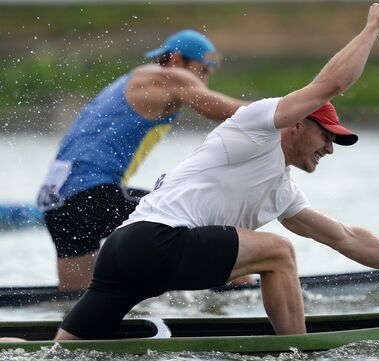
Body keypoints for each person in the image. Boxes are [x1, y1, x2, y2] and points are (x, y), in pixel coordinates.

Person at [53, 3, 379, 340]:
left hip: (123, 257)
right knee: (278, 252)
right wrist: (372, 28)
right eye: (327, 137)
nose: (330, 149)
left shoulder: (282, 191)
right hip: (153, 241)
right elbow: (330, 85)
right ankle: (297, 351)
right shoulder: (257, 128)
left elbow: (346, 238)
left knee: (60, 351)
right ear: (299, 124)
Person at [36, 29, 249, 291]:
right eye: (201, 69)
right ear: (175, 60)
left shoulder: (134, 81)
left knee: (77, 300)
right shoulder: (166, 77)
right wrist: (286, 112)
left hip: (58, 206)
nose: (203, 80)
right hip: (92, 196)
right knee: (217, 227)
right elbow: (222, 110)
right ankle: (237, 298)